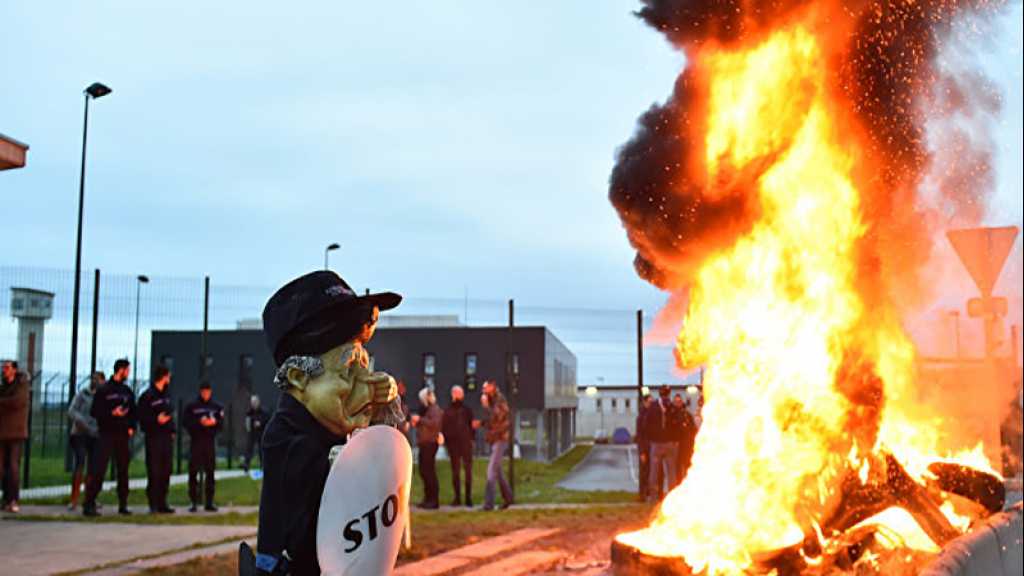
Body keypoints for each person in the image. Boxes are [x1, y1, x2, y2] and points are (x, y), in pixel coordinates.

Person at [249, 270, 400, 575]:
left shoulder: (330, 426)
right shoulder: (286, 439)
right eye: (348, 372)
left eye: (364, 366)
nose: (368, 383)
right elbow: (310, 529)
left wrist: (385, 412)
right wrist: (341, 464)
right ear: (299, 378)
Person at [84, 359, 137, 516]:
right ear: (120, 370)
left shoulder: (127, 391)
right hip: (106, 434)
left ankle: (123, 503)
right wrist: (110, 414)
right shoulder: (104, 390)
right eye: (127, 370)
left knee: (123, 470)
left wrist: (131, 427)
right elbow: (95, 411)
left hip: (122, 435)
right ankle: (89, 503)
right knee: (98, 469)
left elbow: (134, 411)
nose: (128, 373)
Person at [139, 366, 176, 513]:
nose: (170, 378)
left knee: (166, 470)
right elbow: (142, 417)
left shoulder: (166, 395)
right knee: (154, 470)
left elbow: (171, 413)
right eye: (168, 375)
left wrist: (172, 430)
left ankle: (163, 502)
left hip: (166, 437)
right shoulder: (148, 396)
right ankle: (153, 503)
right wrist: (155, 420)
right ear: (163, 376)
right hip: (154, 437)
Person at [184, 381, 224, 512]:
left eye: (208, 392)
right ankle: (193, 501)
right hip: (196, 442)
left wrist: (214, 422)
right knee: (193, 472)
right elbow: (186, 422)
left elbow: (221, 425)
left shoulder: (216, 406)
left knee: (210, 472)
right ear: (200, 392)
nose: (206, 394)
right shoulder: (192, 406)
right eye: (203, 392)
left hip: (209, 442)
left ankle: (209, 502)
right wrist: (199, 423)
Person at [67, 371, 103, 511]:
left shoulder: (102, 397)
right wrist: (82, 422)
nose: (95, 381)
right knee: (80, 463)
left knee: (93, 468)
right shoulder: (82, 394)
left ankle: (89, 498)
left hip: (95, 435)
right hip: (80, 433)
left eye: (98, 379)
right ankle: (74, 499)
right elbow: (72, 411)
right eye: (93, 379)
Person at [0, 359, 29, 513]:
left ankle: (13, 499)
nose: (4, 370)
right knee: (2, 468)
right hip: (2, 432)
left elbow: (17, 402)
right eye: (3, 367)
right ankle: (5, 498)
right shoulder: (3, 386)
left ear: (14, 370)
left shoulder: (22, 386)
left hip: (16, 432)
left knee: (13, 467)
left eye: (7, 367)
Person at [480, 380, 513, 511]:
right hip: (495, 438)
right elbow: (490, 420)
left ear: (492, 387)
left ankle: (489, 504)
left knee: (491, 471)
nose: (483, 390)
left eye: (485, 387)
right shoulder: (492, 400)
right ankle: (508, 498)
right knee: (497, 471)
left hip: (501, 438)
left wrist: (486, 406)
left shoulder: (499, 400)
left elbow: (499, 418)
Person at [441, 385, 475, 507]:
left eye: (459, 393)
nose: (457, 395)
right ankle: (458, 498)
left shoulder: (465, 410)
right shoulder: (450, 410)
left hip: (464, 443)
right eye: (456, 393)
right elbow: (445, 427)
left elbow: (471, 426)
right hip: (455, 444)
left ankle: (467, 497)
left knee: (467, 471)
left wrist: (471, 439)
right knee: (456, 471)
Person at [645, 385, 679, 502]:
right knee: (671, 472)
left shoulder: (653, 407)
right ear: (669, 393)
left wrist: (650, 439)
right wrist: (675, 440)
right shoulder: (672, 406)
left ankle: (653, 498)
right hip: (669, 443)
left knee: (654, 472)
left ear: (659, 393)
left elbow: (647, 424)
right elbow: (676, 425)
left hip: (656, 443)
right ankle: (672, 498)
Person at [411, 387, 443, 509]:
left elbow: (434, 424)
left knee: (429, 472)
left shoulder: (435, 409)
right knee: (424, 471)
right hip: (424, 443)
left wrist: (420, 420)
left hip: (430, 443)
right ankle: (427, 498)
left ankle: (433, 500)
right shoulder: (427, 409)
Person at [672, 393, 696, 485]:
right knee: (677, 466)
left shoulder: (687, 414)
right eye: (676, 401)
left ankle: (687, 483)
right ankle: (678, 483)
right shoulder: (671, 414)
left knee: (687, 464)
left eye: (680, 401)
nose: (678, 403)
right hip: (676, 443)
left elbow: (692, 428)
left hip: (686, 444)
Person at [243, 394, 269, 472]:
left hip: (261, 433)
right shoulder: (249, 412)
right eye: (252, 402)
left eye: (255, 402)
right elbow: (247, 422)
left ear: (258, 402)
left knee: (261, 450)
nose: (253, 403)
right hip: (252, 433)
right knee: (249, 449)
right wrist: (249, 427)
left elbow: (267, 420)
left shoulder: (263, 412)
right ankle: (246, 465)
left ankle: (263, 465)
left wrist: (260, 423)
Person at [635, 394, 653, 500]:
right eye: (649, 402)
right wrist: (641, 451)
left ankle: (649, 492)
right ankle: (642, 494)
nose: (651, 404)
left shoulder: (651, 415)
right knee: (644, 472)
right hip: (644, 448)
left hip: (652, 447)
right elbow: (639, 435)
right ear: (644, 402)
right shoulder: (641, 417)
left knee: (651, 472)